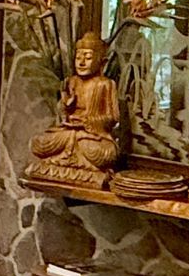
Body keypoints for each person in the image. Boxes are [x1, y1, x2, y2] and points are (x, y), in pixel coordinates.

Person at [28, 33, 122, 188]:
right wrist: (66, 105)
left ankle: (62, 168)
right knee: (39, 142)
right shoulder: (72, 81)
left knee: (107, 154)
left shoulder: (105, 84)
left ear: (102, 63)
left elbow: (113, 117)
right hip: (70, 132)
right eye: (78, 58)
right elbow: (63, 113)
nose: (82, 62)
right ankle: (81, 171)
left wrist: (88, 122)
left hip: (91, 136)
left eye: (88, 57)